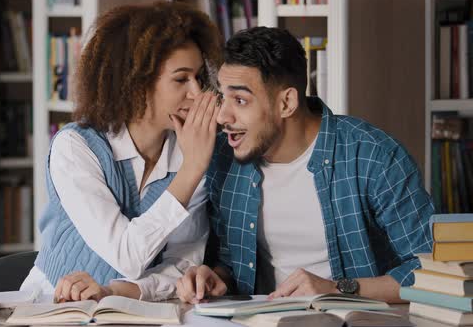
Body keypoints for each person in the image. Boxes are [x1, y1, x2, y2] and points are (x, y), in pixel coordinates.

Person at [176, 27, 433, 304]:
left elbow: (432, 272)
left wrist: (337, 289)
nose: (223, 116)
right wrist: (213, 278)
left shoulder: (374, 157)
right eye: (222, 97)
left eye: (240, 100)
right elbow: (230, 258)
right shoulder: (223, 159)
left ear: (286, 102)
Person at [20, 1, 223, 302]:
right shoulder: (75, 147)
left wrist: (117, 291)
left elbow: (183, 264)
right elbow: (126, 256)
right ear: (135, 83)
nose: (196, 93)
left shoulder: (191, 153)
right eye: (181, 79)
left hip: (135, 311)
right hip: (53, 308)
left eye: (198, 78)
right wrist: (191, 170)